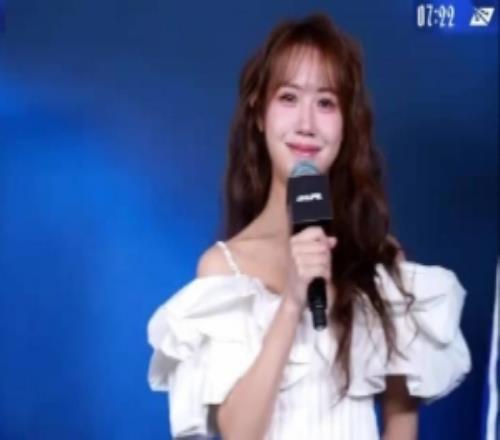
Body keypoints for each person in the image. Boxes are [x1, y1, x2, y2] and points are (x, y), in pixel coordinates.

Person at [147, 13, 471, 440]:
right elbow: (237, 433)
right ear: (259, 114)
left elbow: (401, 420)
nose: (306, 123)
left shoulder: (379, 259)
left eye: (325, 103)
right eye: (288, 98)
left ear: (346, 124)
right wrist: (292, 302)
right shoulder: (225, 268)